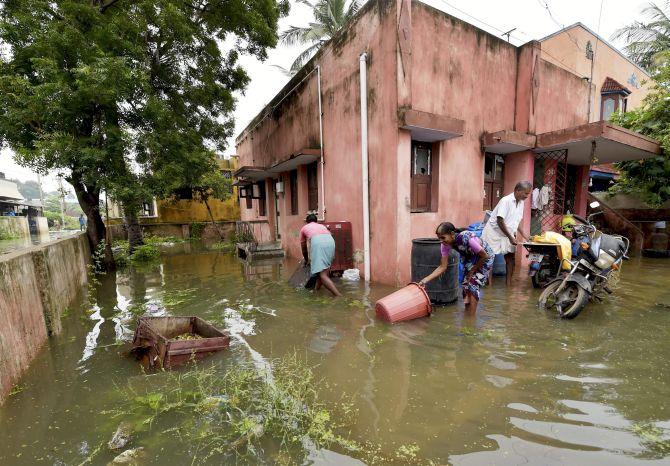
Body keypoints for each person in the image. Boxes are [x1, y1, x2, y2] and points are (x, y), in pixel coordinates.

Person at [418, 222, 493, 314]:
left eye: (443, 237)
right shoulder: (444, 245)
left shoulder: (466, 238)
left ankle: (472, 317)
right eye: (439, 238)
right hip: (470, 258)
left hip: (484, 257)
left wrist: (472, 270)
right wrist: (425, 280)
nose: (441, 241)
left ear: (452, 234)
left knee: (473, 283)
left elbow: (485, 256)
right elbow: (442, 267)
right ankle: (467, 314)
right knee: (465, 285)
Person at [481, 181, 531, 285]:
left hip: (507, 232)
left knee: (510, 257)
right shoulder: (506, 201)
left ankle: (508, 284)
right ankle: (488, 285)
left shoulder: (521, 203)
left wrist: (525, 236)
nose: (527, 196)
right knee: (490, 258)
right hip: (493, 232)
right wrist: (510, 237)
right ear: (517, 190)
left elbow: (516, 222)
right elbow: (500, 221)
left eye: (528, 193)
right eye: (526, 193)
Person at [300, 213, 341, 297]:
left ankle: (338, 296)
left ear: (307, 222)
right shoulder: (322, 226)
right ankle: (316, 291)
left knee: (322, 275)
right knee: (323, 271)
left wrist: (306, 260)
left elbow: (303, 248)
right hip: (331, 242)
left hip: (318, 243)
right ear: (316, 221)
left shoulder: (304, 228)